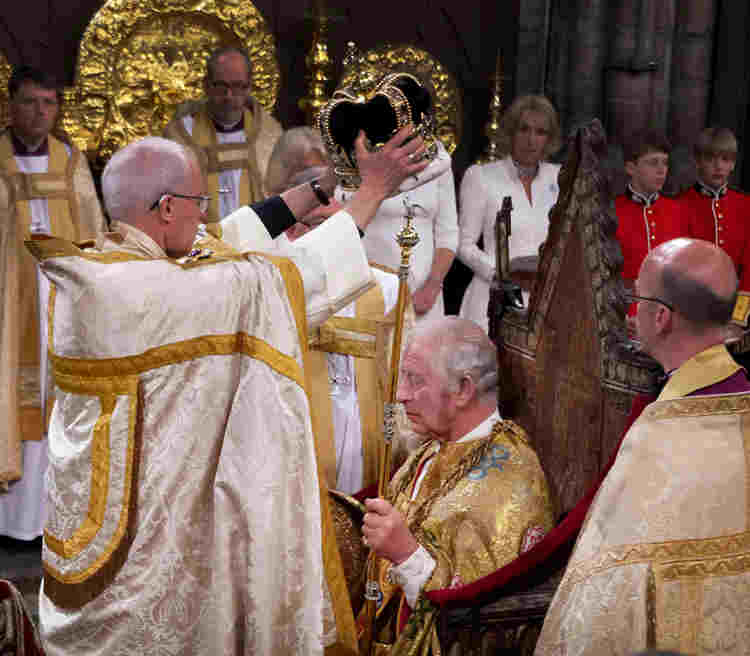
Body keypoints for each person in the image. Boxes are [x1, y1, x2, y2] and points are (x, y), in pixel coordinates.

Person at [32, 128, 428, 655]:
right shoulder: (143, 293)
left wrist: (322, 187)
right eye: (198, 203)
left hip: (102, 524)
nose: (205, 216)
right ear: (166, 207)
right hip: (134, 554)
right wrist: (371, 193)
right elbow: (284, 281)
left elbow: (225, 238)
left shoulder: (109, 266)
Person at [535, 238, 750, 655]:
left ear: (661, 317)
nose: (633, 312)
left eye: (638, 299)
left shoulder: (660, 436)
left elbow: (601, 593)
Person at [361, 317, 554, 654]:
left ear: (464, 389)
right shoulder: (434, 445)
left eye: (415, 380)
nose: (401, 395)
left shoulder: (508, 484)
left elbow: (479, 626)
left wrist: (406, 555)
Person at [0, 66, 104, 541]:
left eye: (48, 103)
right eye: (29, 102)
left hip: (60, 297)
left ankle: (51, 517)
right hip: (9, 303)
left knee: (58, 397)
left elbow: (92, 235)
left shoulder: (69, 160)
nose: (40, 112)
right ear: (9, 105)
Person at [458, 94, 561, 331]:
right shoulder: (481, 177)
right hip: (492, 298)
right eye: (523, 129)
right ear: (511, 133)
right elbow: (464, 244)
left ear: (549, 139)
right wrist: (501, 275)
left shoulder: (559, 177)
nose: (531, 140)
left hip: (545, 303)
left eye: (540, 132)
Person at [337, 139, 458, 323]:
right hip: (367, 290)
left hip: (423, 297)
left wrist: (433, 285)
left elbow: (448, 233)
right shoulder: (356, 150)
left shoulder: (437, 155)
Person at [163, 46, 283, 220]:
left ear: (249, 87)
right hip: (200, 240)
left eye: (237, 86)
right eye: (221, 86)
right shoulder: (180, 136)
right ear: (206, 85)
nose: (228, 96)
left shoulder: (270, 136)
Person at [614, 131, 693, 315]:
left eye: (665, 163)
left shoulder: (678, 210)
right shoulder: (611, 212)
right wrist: (619, 318)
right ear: (630, 168)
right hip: (626, 319)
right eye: (653, 162)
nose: (661, 170)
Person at [679, 127, 750, 325]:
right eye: (711, 159)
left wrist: (739, 317)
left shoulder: (745, 206)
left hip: (738, 316)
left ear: (733, 165)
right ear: (697, 161)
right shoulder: (680, 204)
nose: (718, 166)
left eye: (725, 160)